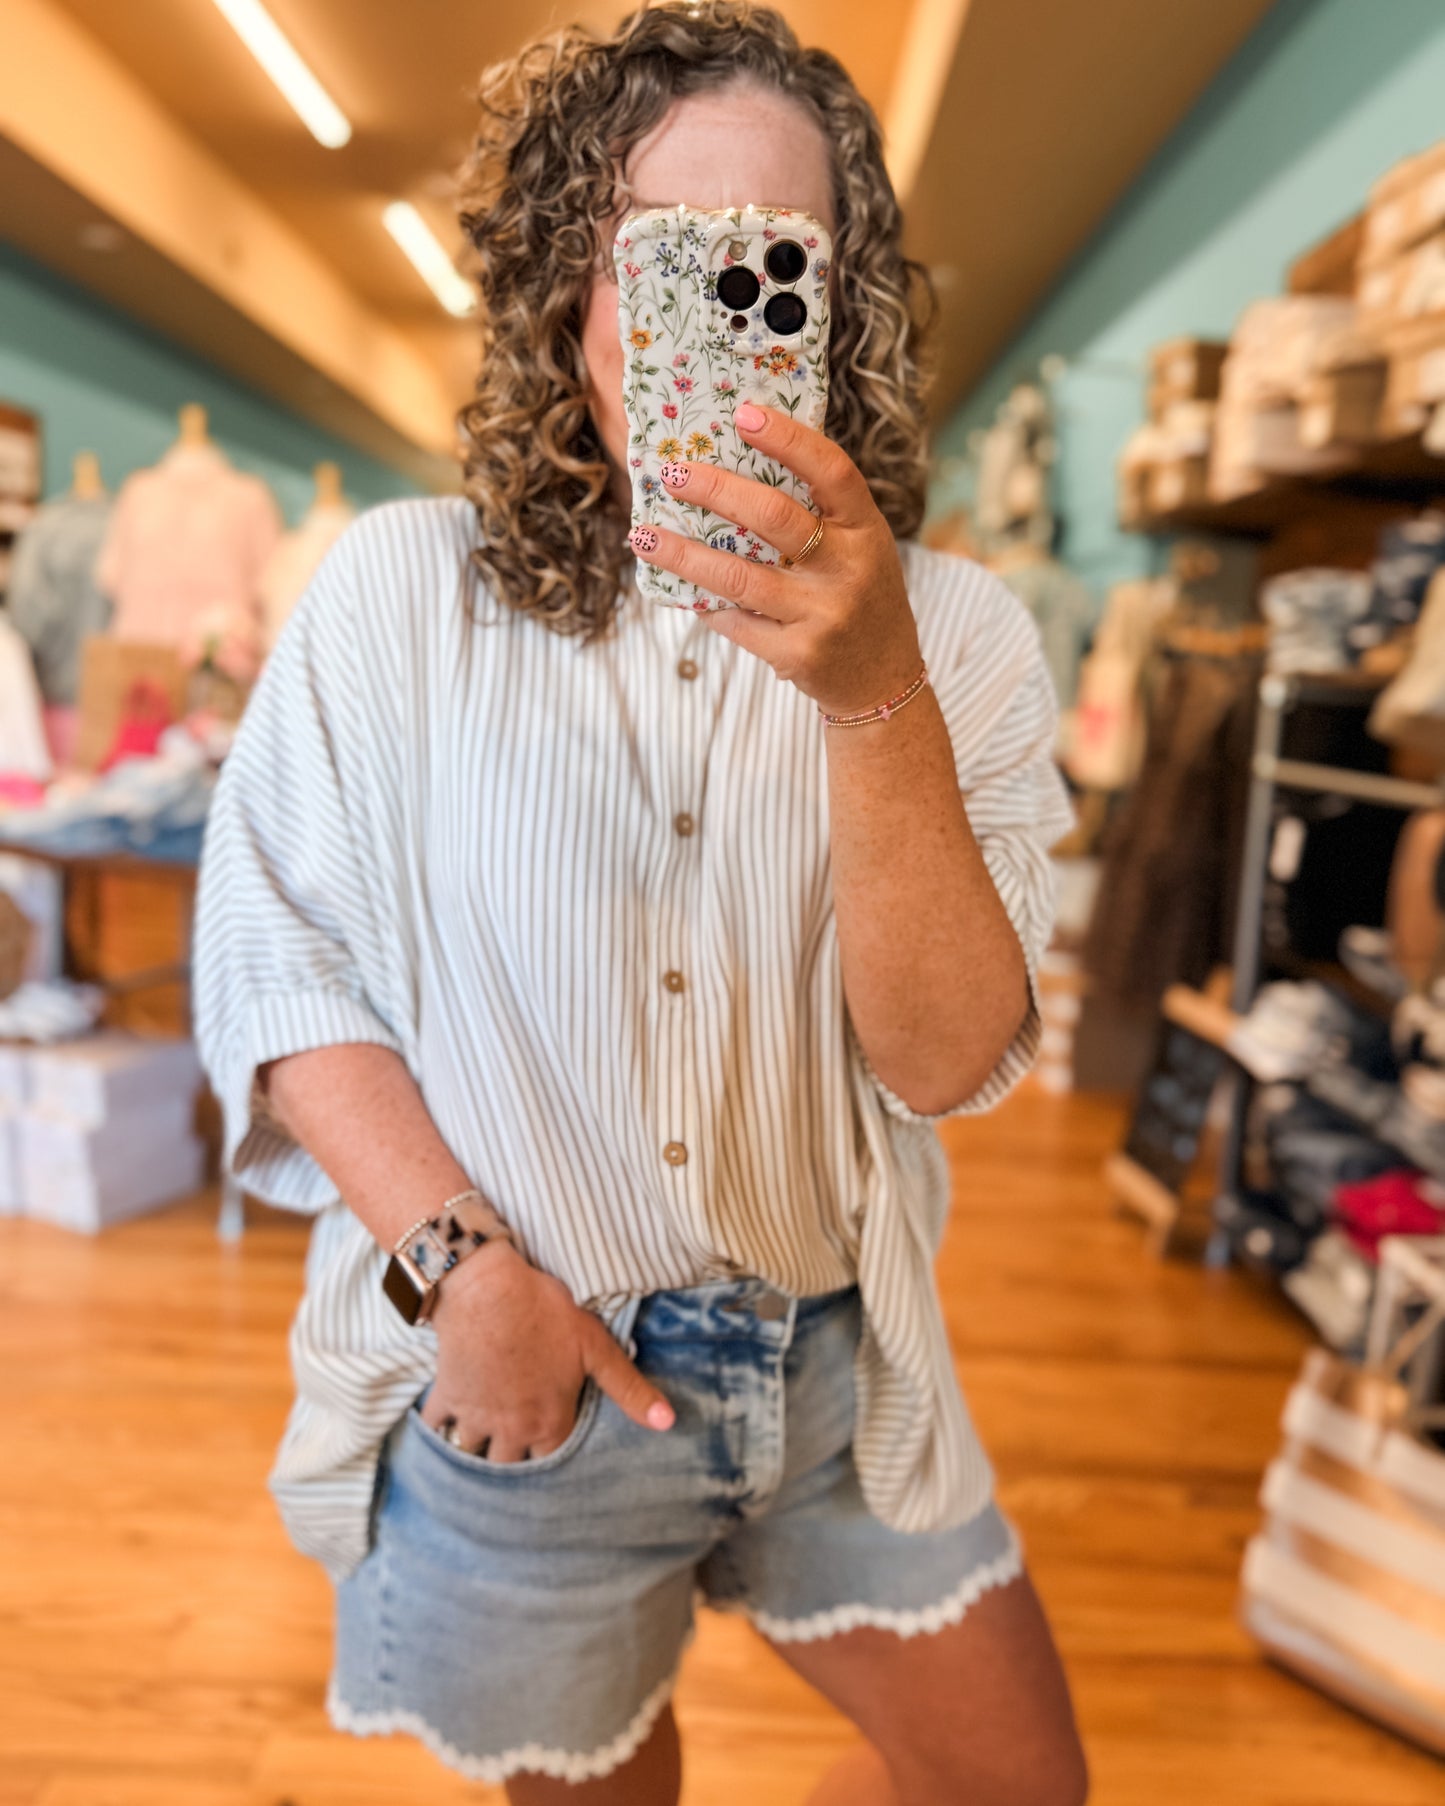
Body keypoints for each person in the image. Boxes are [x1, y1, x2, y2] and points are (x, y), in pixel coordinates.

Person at [193, 5, 1085, 1802]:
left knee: (1016, 1782)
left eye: (777, 263)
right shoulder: (396, 598)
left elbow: (942, 1058)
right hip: (534, 1369)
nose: (719, 315)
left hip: (836, 1371)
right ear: (561, 297)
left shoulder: (956, 635)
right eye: (661, 261)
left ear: (843, 309)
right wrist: (461, 1271)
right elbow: (278, 959)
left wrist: (869, 694)